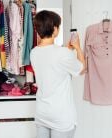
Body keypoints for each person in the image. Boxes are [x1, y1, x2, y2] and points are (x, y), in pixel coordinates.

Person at [30, 10, 86, 138]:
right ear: (55, 29)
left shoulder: (34, 52)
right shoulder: (62, 54)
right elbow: (82, 69)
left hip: (42, 113)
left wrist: (67, 50)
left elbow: (51, 62)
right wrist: (77, 47)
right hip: (60, 115)